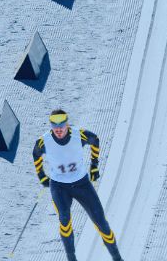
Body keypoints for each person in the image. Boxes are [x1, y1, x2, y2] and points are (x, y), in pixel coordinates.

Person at [32, 109, 124, 261]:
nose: (58, 130)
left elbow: (95, 140)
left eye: (61, 126)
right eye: (55, 126)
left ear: (67, 124)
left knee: (101, 222)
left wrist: (94, 166)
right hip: (59, 187)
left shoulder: (78, 135)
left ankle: (118, 258)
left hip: (81, 184)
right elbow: (36, 153)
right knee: (64, 219)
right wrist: (41, 175)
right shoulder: (44, 141)